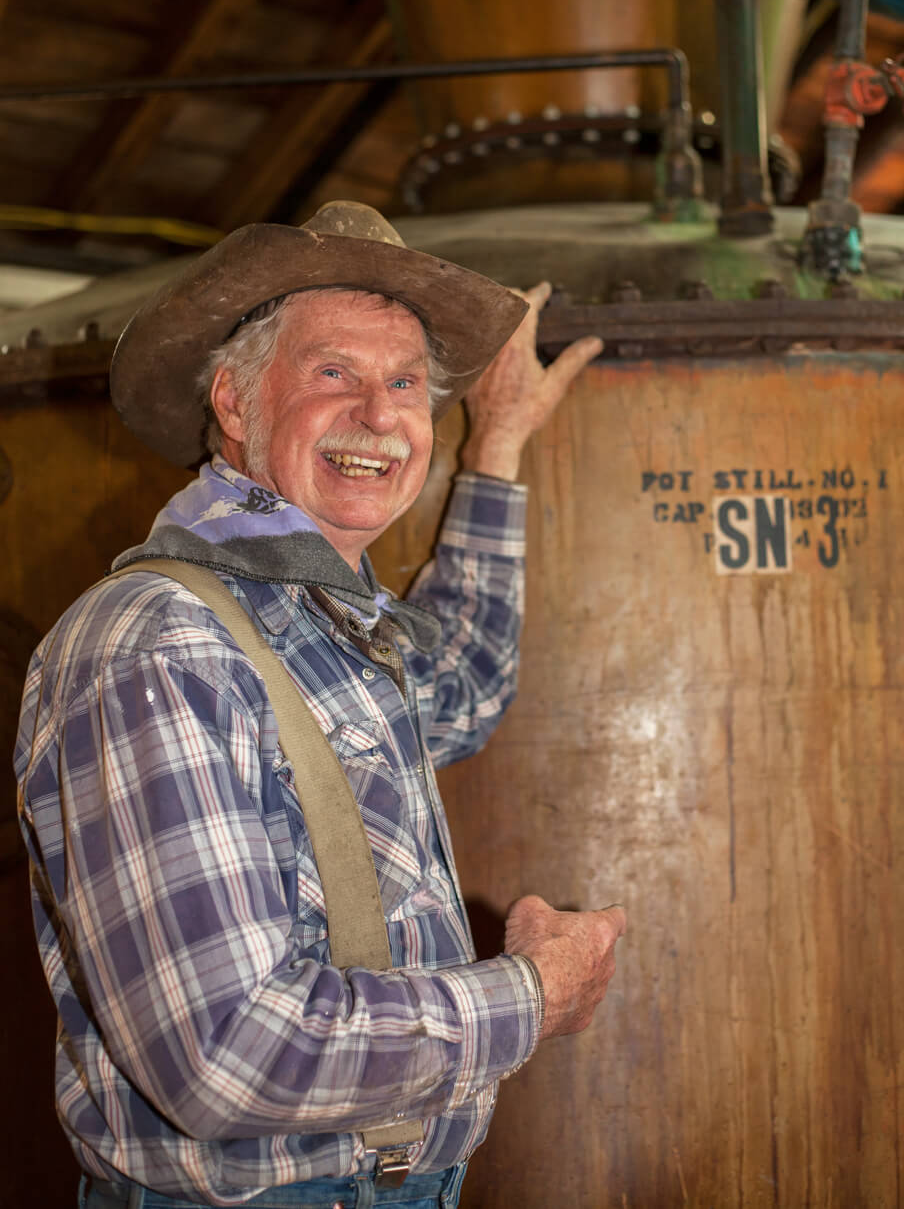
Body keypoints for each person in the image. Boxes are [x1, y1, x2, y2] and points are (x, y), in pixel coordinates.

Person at [15, 200, 626, 1209]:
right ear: (233, 399)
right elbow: (226, 1053)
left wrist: (498, 443)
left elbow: (462, 686)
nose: (382, 417)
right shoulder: (161, 641)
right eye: (333, 372)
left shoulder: (318, 624)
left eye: (405, 384)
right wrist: (535, 997)